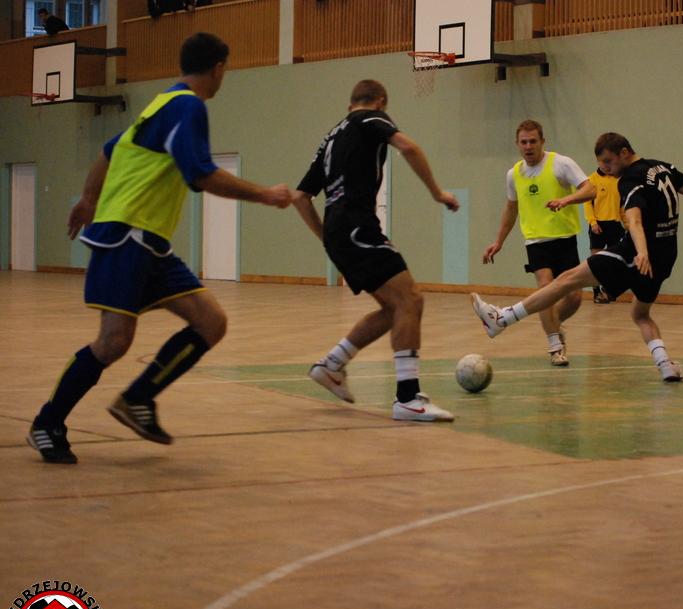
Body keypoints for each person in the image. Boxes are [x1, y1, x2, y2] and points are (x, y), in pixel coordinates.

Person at [26, 33, 292, 465]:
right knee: (113, 342)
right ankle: (47, 422)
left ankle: (138, 399)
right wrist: (265, 194)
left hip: (149, 243)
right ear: (218, 68)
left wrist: (89, 199)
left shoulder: (161, 103)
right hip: (126, 237)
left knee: (211, 322)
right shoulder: (187, 106)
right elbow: (200, 173)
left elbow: (109, 151)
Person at [471, 132, 683, 383]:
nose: (605, 168)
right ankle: (665, 364)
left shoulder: (630, 179)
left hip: (633, 254)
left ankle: (502, 318)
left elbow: (634, 220)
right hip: (665, 258)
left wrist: (641, 252)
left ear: (624, 153)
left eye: (608, 161)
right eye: (601, 163)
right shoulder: (662, 168)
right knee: (640, 314)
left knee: (567, 280)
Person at [291, 79, 460, 422]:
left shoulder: (330, 137)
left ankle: (332, 365)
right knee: (411, 299)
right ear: (380, 102)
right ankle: (407, 398)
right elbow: (409, 147)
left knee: (393, 307)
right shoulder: (369, 118)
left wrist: (327, 238)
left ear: (350, 102)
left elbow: (300, 197)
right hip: (358, 227)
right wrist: (437, 193)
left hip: (339, 232)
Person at [481, 120, 595, 366]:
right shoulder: (514, 174)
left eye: (533, 141)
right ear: (517, 144)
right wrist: (498, 241)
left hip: (565, 238)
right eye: (523, 142)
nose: (528, 146)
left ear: (542, 141)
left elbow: (590, 190)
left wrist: (566, 201)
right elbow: (511, 209)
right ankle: (555, 346)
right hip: (536, 241)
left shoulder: (561, 164)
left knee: (574, 297)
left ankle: (554, 324)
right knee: (545, 288)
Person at [582, 165, 626, 303]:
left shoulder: (618, 179)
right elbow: (587, 204)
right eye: (604, 161)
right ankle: (597, 293)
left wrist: (627, 224)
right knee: (596, 262)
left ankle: (609, 290)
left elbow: (621, 205)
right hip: (598, 225)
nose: (607, 165)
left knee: (615, 260)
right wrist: (593, 223)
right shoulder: (591, 180)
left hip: (615, 224)